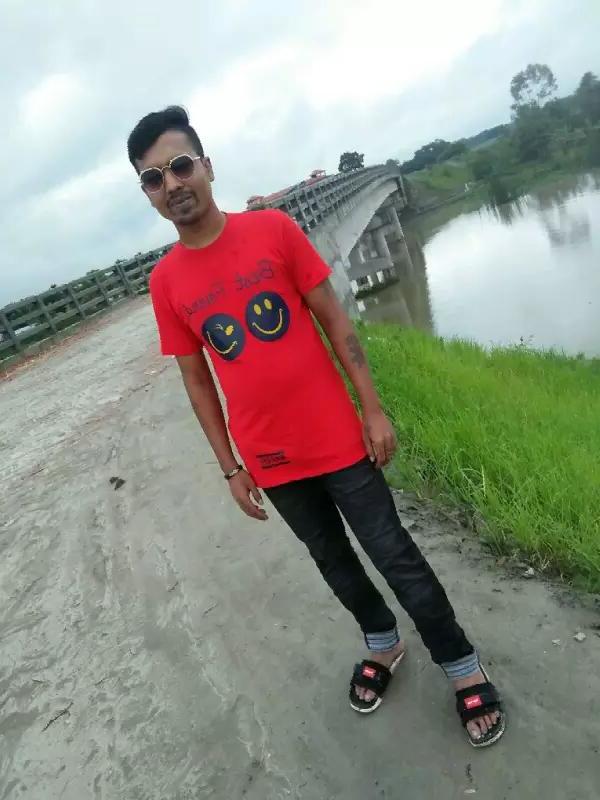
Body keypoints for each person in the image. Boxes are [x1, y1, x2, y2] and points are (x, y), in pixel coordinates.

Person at [126, 106, 505, 748]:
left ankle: (461, 662)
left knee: (394, 553)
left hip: (337, 440)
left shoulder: (272, 230)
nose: (172, 184)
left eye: (180, 166)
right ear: (148, 193)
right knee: (331, 559)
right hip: (270, 460)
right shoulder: (165, 282)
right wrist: (229, 466)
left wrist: (372, 410)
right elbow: (197, 380)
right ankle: (382, 642)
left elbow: (335, 319)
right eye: (153, 178)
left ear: (207, 166)